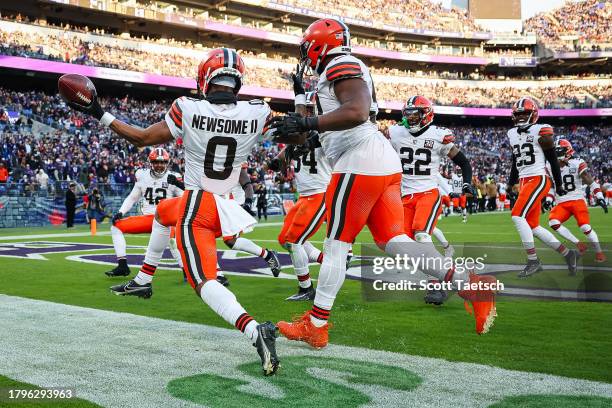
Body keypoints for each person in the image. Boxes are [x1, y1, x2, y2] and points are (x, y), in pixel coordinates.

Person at [270, 19, 497, 347]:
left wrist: (307, 119)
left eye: (308, 47)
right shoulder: (336, 70)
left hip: (359, 159)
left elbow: (358, 111)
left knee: (336, 244)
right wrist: (295, 116)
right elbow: (309, 133)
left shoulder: (340, 63)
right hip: (377, 161)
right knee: (394, 240)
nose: (306, 54)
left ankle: (316, 325)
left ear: (320, 44)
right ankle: (471, 285)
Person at [66, 48, 280, 376]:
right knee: (165, 210)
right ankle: (142, 280)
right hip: (227, 204)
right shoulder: (258, 111)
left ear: (205, 77)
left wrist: (99, 112)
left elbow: (140, 138)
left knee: (203, 281)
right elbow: (296, 136)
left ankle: (255, 331)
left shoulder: (187, 107)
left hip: (200, 204)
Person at [506, 97, 579, 278]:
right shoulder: (512, 134)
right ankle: (568, 254)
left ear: (533, 114)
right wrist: (510, 182)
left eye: (525, 114)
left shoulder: (541, 130)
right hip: (524, 181)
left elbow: (553, 159)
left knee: (517, 215)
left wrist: (559, 184)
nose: (521, 118)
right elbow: (516, 160)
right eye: (518, 114)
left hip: (538, 178)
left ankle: (533, 261)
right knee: (533, 226)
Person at [273, 91, 332, 301]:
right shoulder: (296, 138)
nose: (304, 114)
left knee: (294, 240)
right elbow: (281, 159)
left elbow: (314, 140)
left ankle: (306, 288)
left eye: (308, 110)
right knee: (284, 239)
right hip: (304, 197)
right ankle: (329, 262)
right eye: (302, 109)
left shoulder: (324, 134)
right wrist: (276, 164)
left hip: (320, 194)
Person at [105, 148, 184, 277]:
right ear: (150, 162)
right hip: (148, 219)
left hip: (165, 220)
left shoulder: (174, 177)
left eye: (162, 162)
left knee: (173, 241)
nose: (159, 165)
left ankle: (186, 271)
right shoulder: (142, 175)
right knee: (115, 227)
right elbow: (133, 197)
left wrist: (178, 185)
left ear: (167, 163)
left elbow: (184, 199)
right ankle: (122, 265)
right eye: (156, 162)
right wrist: (121, 212)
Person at [545, 139, 607, 264]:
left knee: (585, 227)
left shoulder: (577, 163)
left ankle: (599, 252)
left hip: (577, 199)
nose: (556, 154)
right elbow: (552, 186)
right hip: (561, 202)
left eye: (559, 151)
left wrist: (599, 196)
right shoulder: (549, 166)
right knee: (553, 222)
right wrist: (548, 199)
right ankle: (579, 244)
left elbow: (589, 180)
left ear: (568, 151)